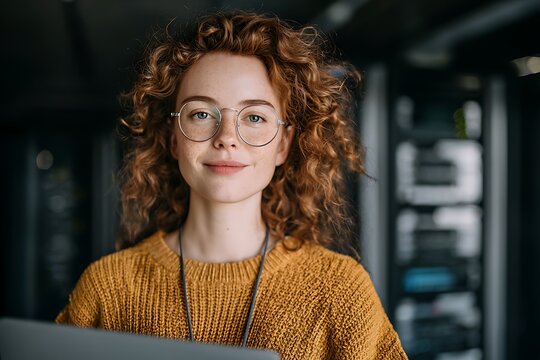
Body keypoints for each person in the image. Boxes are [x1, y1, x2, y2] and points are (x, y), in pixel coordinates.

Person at [55, 11, 408, 359]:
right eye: (202, 114)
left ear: (283, 144)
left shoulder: (340, 289)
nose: (227, 138)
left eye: (254, 117)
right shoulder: (107, 287)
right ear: (174, 139)